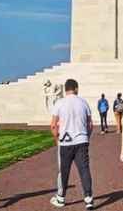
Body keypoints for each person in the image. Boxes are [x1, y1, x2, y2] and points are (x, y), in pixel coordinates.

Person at [49, 79, 94, 209]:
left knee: (64, 171)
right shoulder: (83, 103)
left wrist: (57, 139)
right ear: (76, 88)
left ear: (66, 89)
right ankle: (88, 198)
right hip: (81, 141)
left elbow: (53, 125)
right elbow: (90, 124)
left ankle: (61, 198)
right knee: (84, 170)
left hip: (65, 142)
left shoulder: (60, 103)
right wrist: (86, 136)